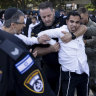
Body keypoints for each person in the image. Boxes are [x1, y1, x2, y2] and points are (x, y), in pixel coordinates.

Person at [31, 1, 87, 95]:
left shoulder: (63, 20)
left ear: (53, 12)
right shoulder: (36, 29)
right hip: (50, 69)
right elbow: (35, 50)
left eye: (49, 15)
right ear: (39, 15)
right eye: (43, 17)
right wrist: (50, 49)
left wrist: (72, 35)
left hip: (68, 68)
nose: (47, 19)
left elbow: (83, 27)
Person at [0, 7, 56, 96]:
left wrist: (38, 40)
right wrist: (27, 58)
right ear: (13, 25)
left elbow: (27, 40)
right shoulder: (10, 46)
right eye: (23, 23)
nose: (25, 25)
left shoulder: (13, 37)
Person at [78, 7, 96, 96]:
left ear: (87, 15)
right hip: (83, 62)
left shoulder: (93, 26)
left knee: (93, 85)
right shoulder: (78, 26)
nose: (80, 20)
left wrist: (83, 42)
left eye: (82, 18)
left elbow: (94, 40)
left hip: (92, 61)